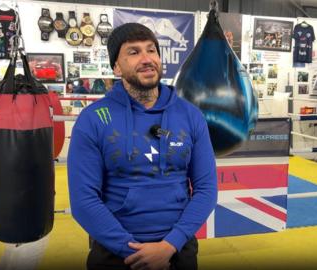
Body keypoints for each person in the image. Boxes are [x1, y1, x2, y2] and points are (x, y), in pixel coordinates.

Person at [67, 23, 218, 270]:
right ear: (116, 66)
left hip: (178, 250)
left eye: (152, 50)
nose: (147, 59)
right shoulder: (93, 119)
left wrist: (170, 245)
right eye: (134, 52)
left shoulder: (191, 116)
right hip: (117, 253)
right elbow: (84, 201)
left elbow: (206, 188)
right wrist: (135, 253)